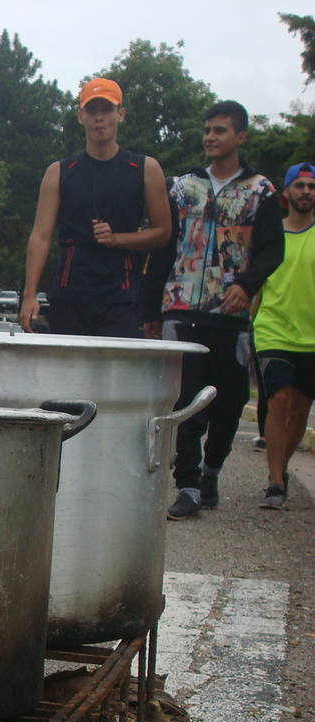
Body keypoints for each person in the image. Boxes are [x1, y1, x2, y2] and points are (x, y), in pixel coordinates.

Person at [145, 101, 284, 519]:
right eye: (207, 129)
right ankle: (185, 485)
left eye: (220, 130)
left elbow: (273, 249)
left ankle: (211, 469)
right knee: (185, 401)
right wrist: (150, 307)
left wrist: (247, 284)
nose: (211, 137)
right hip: (181, 307)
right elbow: (164, 247)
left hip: (231, 312)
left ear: (240, 136)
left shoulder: (261, 191)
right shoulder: (182, 187)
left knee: (230, 401)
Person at [21, 78, 170, 336]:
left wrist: (117, 239)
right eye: (92, 111)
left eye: (106, 110)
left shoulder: (145, 168)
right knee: (68, 373)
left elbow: (163, 232)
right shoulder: (59, 172)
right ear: (81, 117)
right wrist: (30, 294)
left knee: (116, 374)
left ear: (120, 115)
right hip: (70, 293)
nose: (99, 118)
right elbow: (41, 235)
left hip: (121, 295)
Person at [251, 162, 315, 509]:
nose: (306, 191)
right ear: (286, 193)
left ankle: (284, 468)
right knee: (279, 401)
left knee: (300, 409)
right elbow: (255, 283)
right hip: (273, 330)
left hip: (311, 337)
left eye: (312, 186)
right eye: (300, 185)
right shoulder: (271, 235)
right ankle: (275, 481)